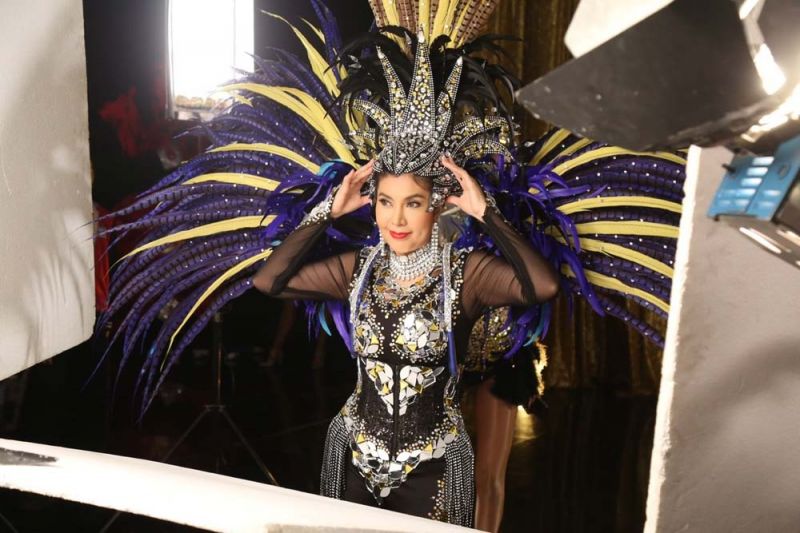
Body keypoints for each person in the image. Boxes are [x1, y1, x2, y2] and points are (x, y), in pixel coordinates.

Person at [253, 149, 559, 524]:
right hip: (355, 460)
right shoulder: (358, 269)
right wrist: (328, 211)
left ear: (437, 204)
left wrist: (486, 213)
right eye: (386, 201)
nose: (396, 219)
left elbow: (542, 286)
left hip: (434, 470)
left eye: (412, 203)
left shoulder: (467, 274)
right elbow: (269, 281)